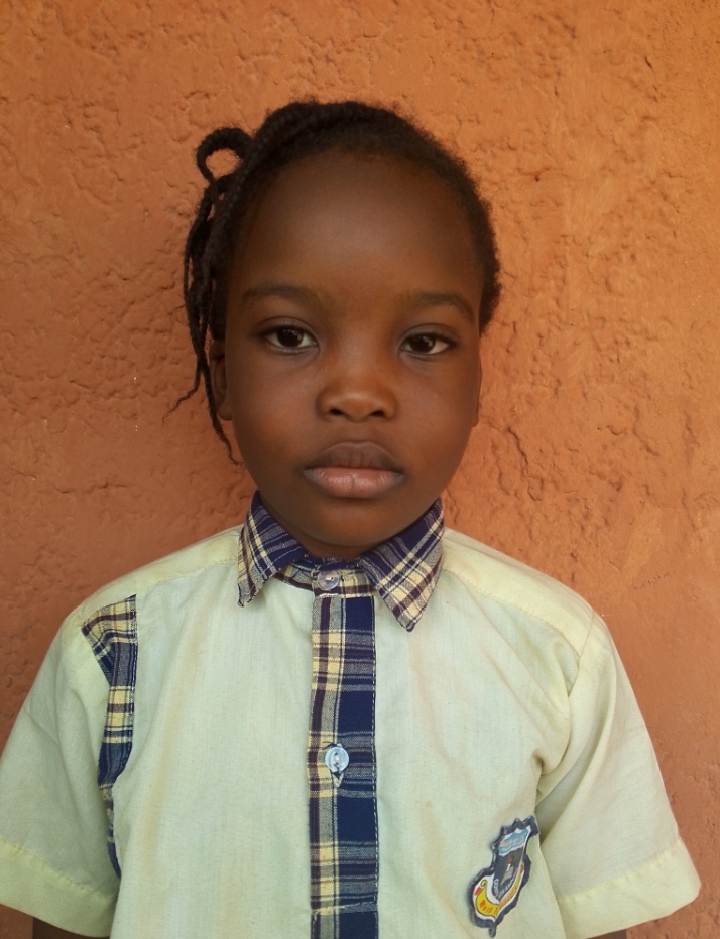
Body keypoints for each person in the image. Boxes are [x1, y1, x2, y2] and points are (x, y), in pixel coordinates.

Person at [0, 101, 700, 939]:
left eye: (424, 342)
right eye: (290, 335)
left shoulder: (559, 655)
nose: (358, 393)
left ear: (478, 381)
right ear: (222, 372)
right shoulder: (114, 654)